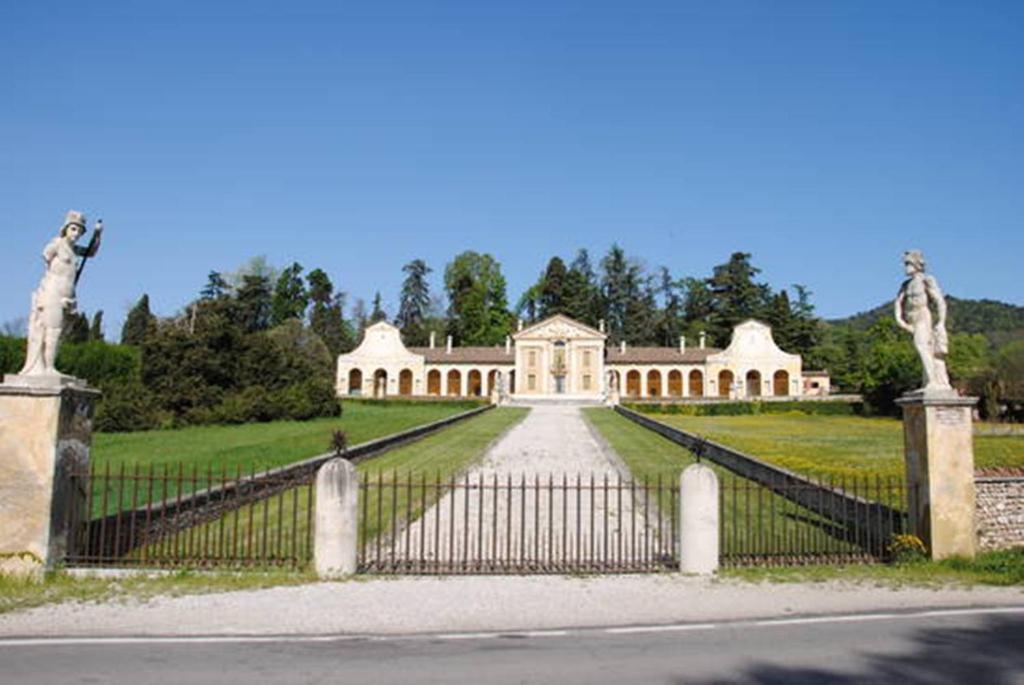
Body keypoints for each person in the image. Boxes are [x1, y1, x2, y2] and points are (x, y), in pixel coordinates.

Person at [18, 211, 103, 377]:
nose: (76, 233)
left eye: (79, 231)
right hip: (52, 293)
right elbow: (46, 255)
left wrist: (98, 235)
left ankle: (50, 365)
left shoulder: (74, 249)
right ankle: (48, 368)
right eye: (73, 229)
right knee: (53, 330)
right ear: (65, 229)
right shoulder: (57, 244)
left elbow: (90, 252)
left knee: (61, 333)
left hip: (69, 297)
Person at [894, 250, 951, 392]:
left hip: (922, 316)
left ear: (916, 264)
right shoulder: (905, 285)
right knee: (924, 349)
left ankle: (932, 382)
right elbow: (897, 303)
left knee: (922, 346)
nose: (906, 267)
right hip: (911, 318)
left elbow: (940, 301)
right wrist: (900, 321)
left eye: (908, 264)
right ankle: (929, 381)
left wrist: (941, 322)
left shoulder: (926, 280)